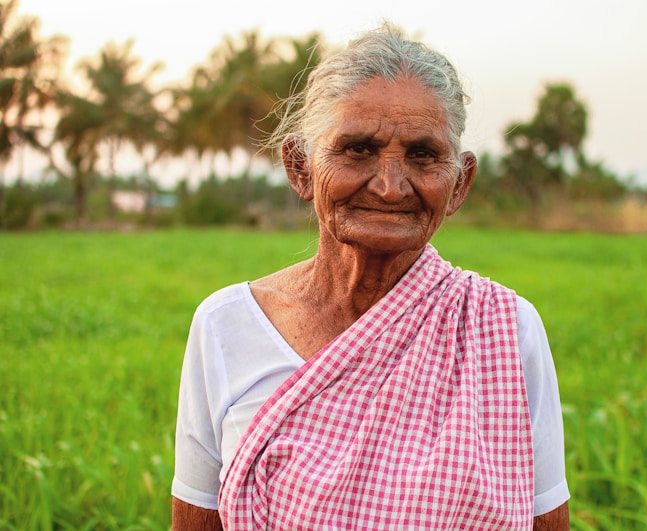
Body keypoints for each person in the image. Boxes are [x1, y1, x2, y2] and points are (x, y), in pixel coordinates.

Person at [171, 25, 570, 530]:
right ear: (300, 168)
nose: (389, 185)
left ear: (460, 183)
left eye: (423, 155)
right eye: (358, 149)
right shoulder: (226, 326)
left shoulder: (507, 331)